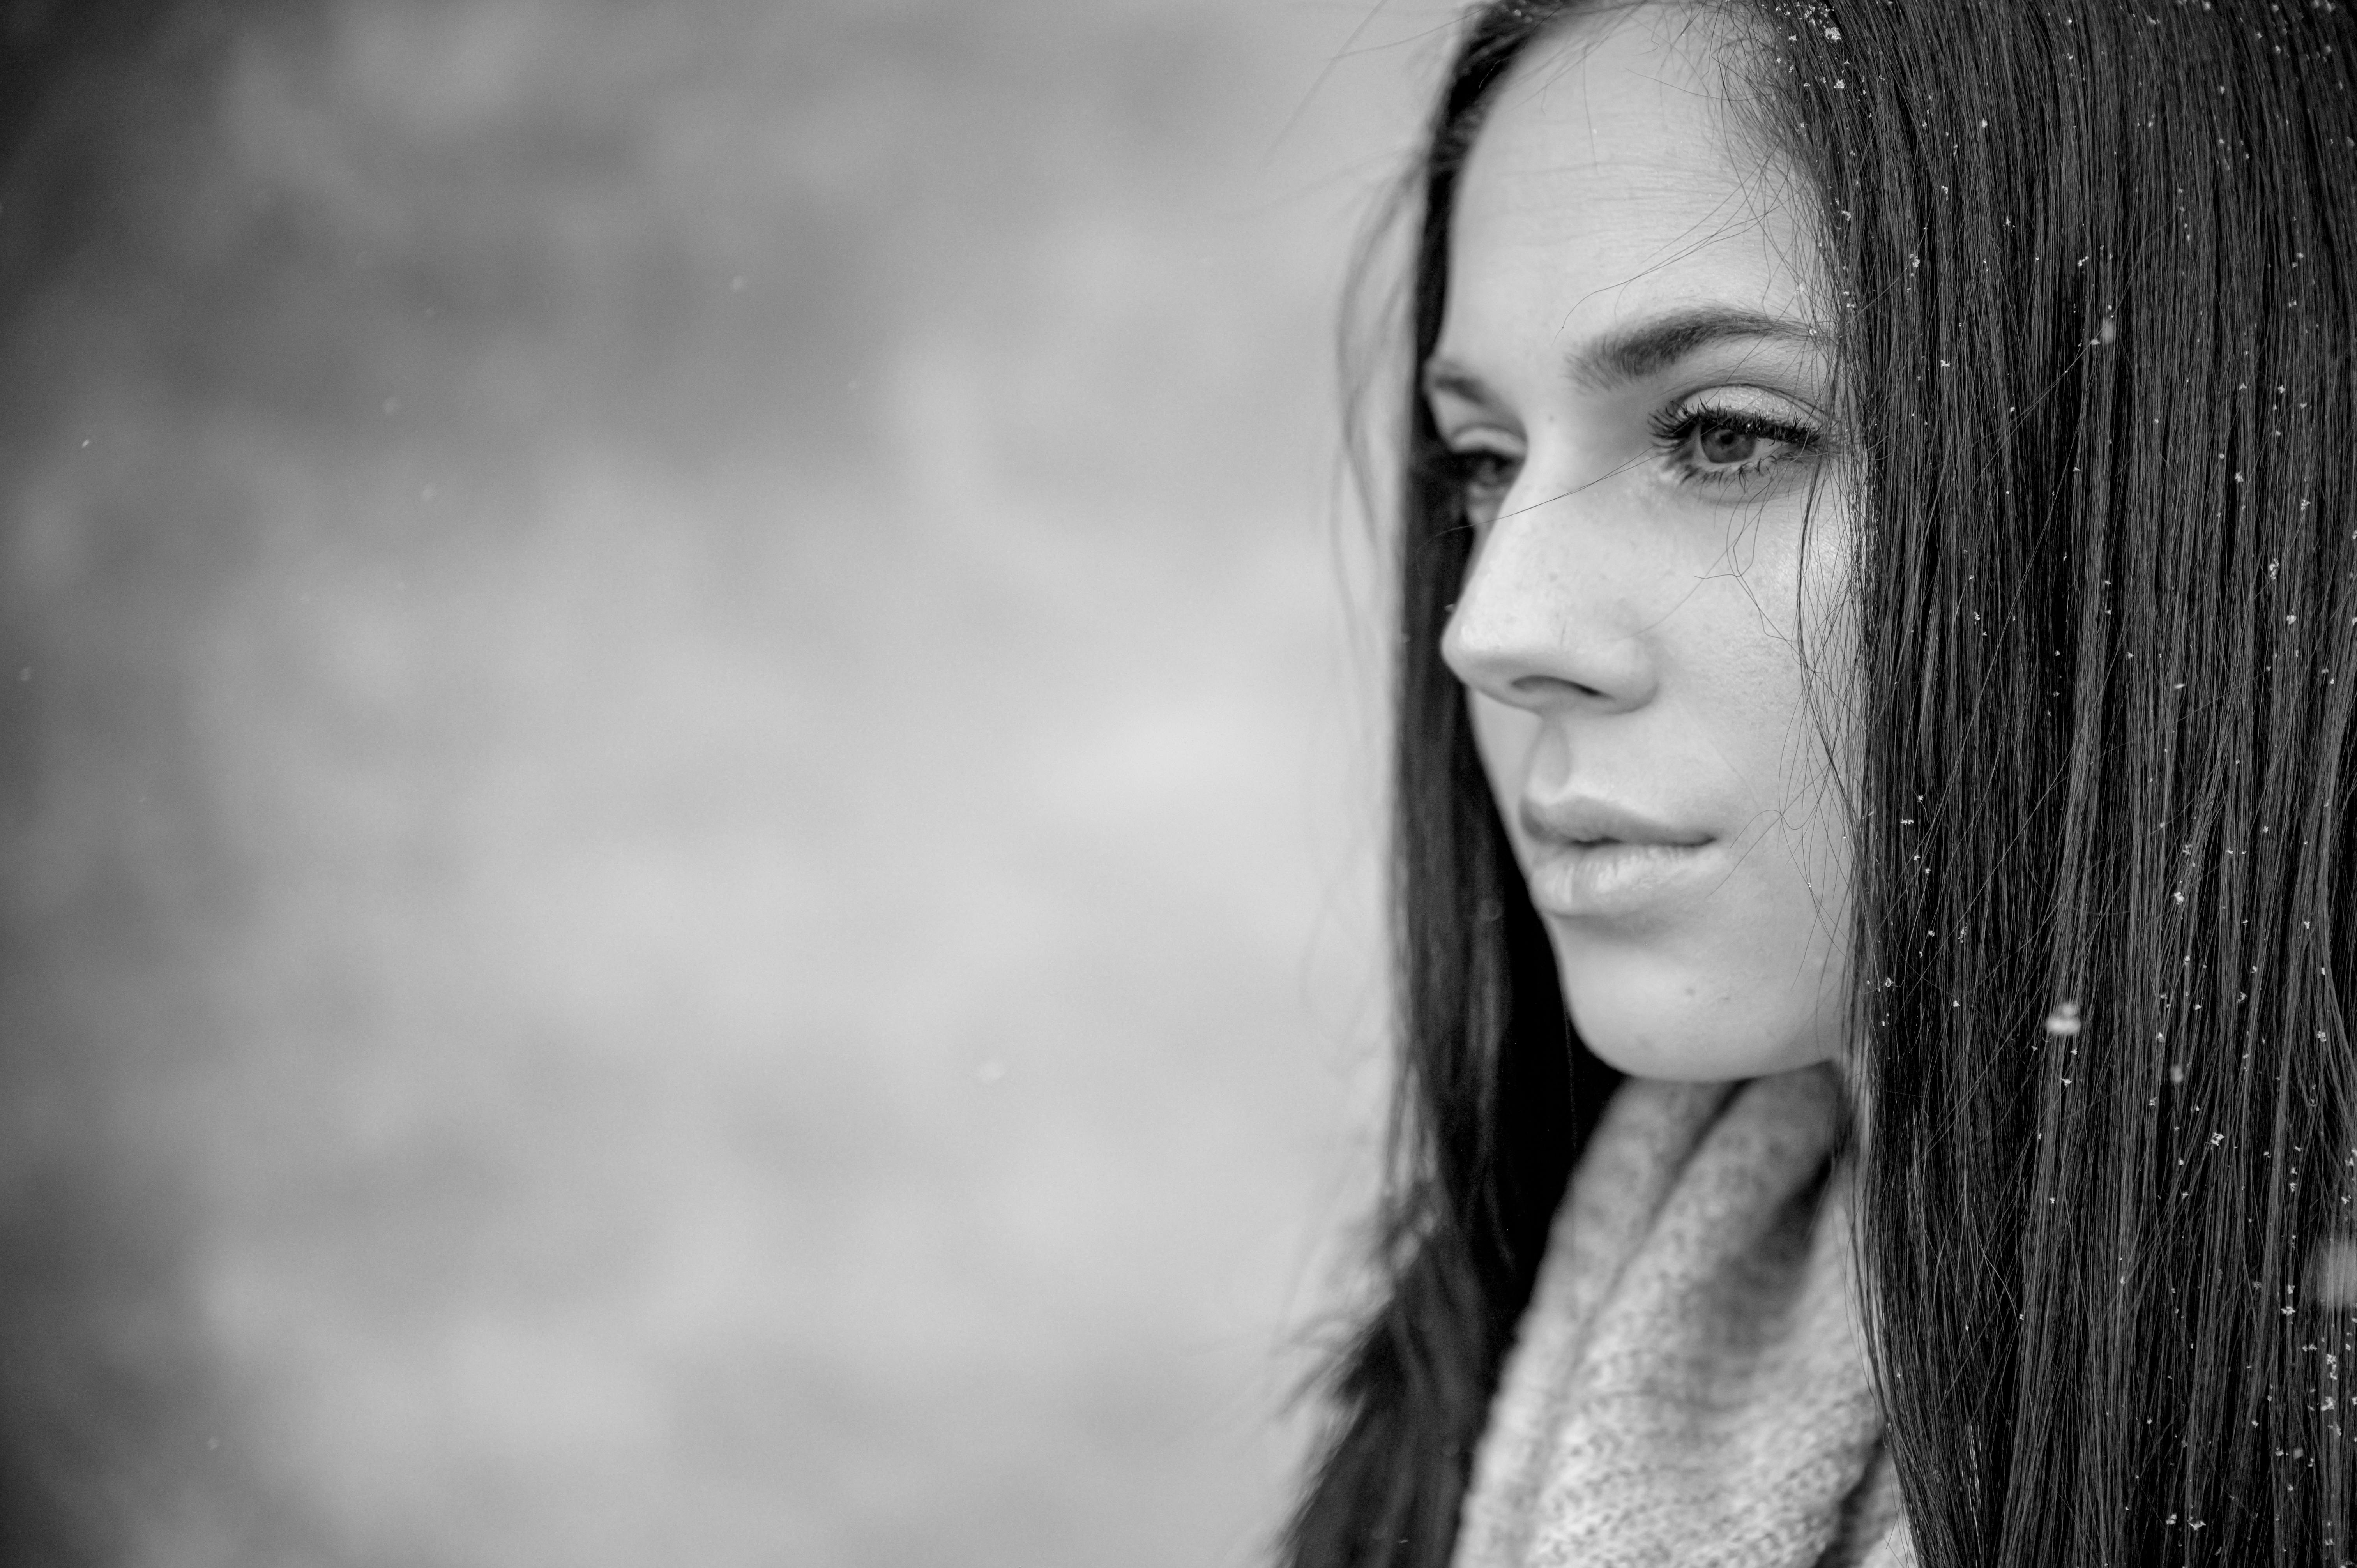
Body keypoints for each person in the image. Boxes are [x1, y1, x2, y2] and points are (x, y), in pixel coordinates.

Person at [1284, 0, 2357, 1564]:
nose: (1489, 628)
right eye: (1482, 461)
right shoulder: (1509, 1357)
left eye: (1723, 432)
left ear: (2164, 476)